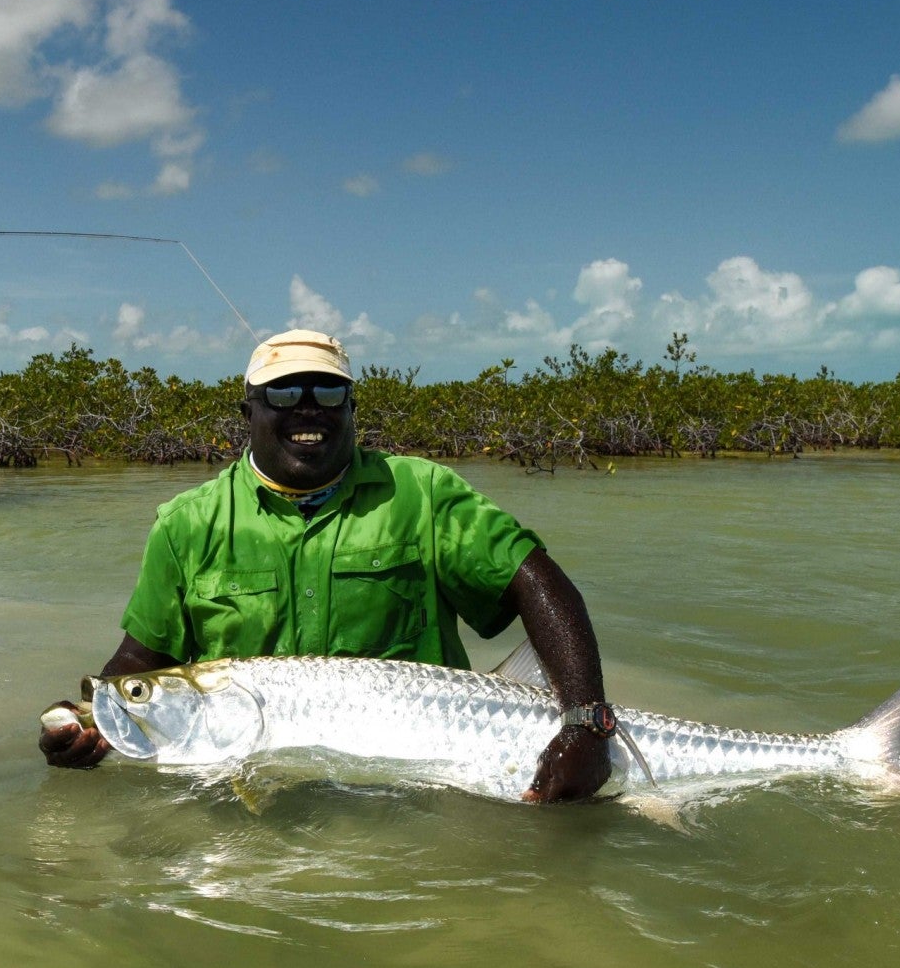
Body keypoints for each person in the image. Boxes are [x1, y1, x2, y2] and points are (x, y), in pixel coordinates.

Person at [39, 328, 615, 802]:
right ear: (249, 411)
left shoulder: (421, 492)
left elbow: (539, 582)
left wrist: (586, 723)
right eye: (285, 394)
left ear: (352, 407)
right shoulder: (188, 523)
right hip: (252, 822)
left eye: (329, 393)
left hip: (425, 801)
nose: (308, 409)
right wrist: (88, 725)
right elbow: (141, 664)